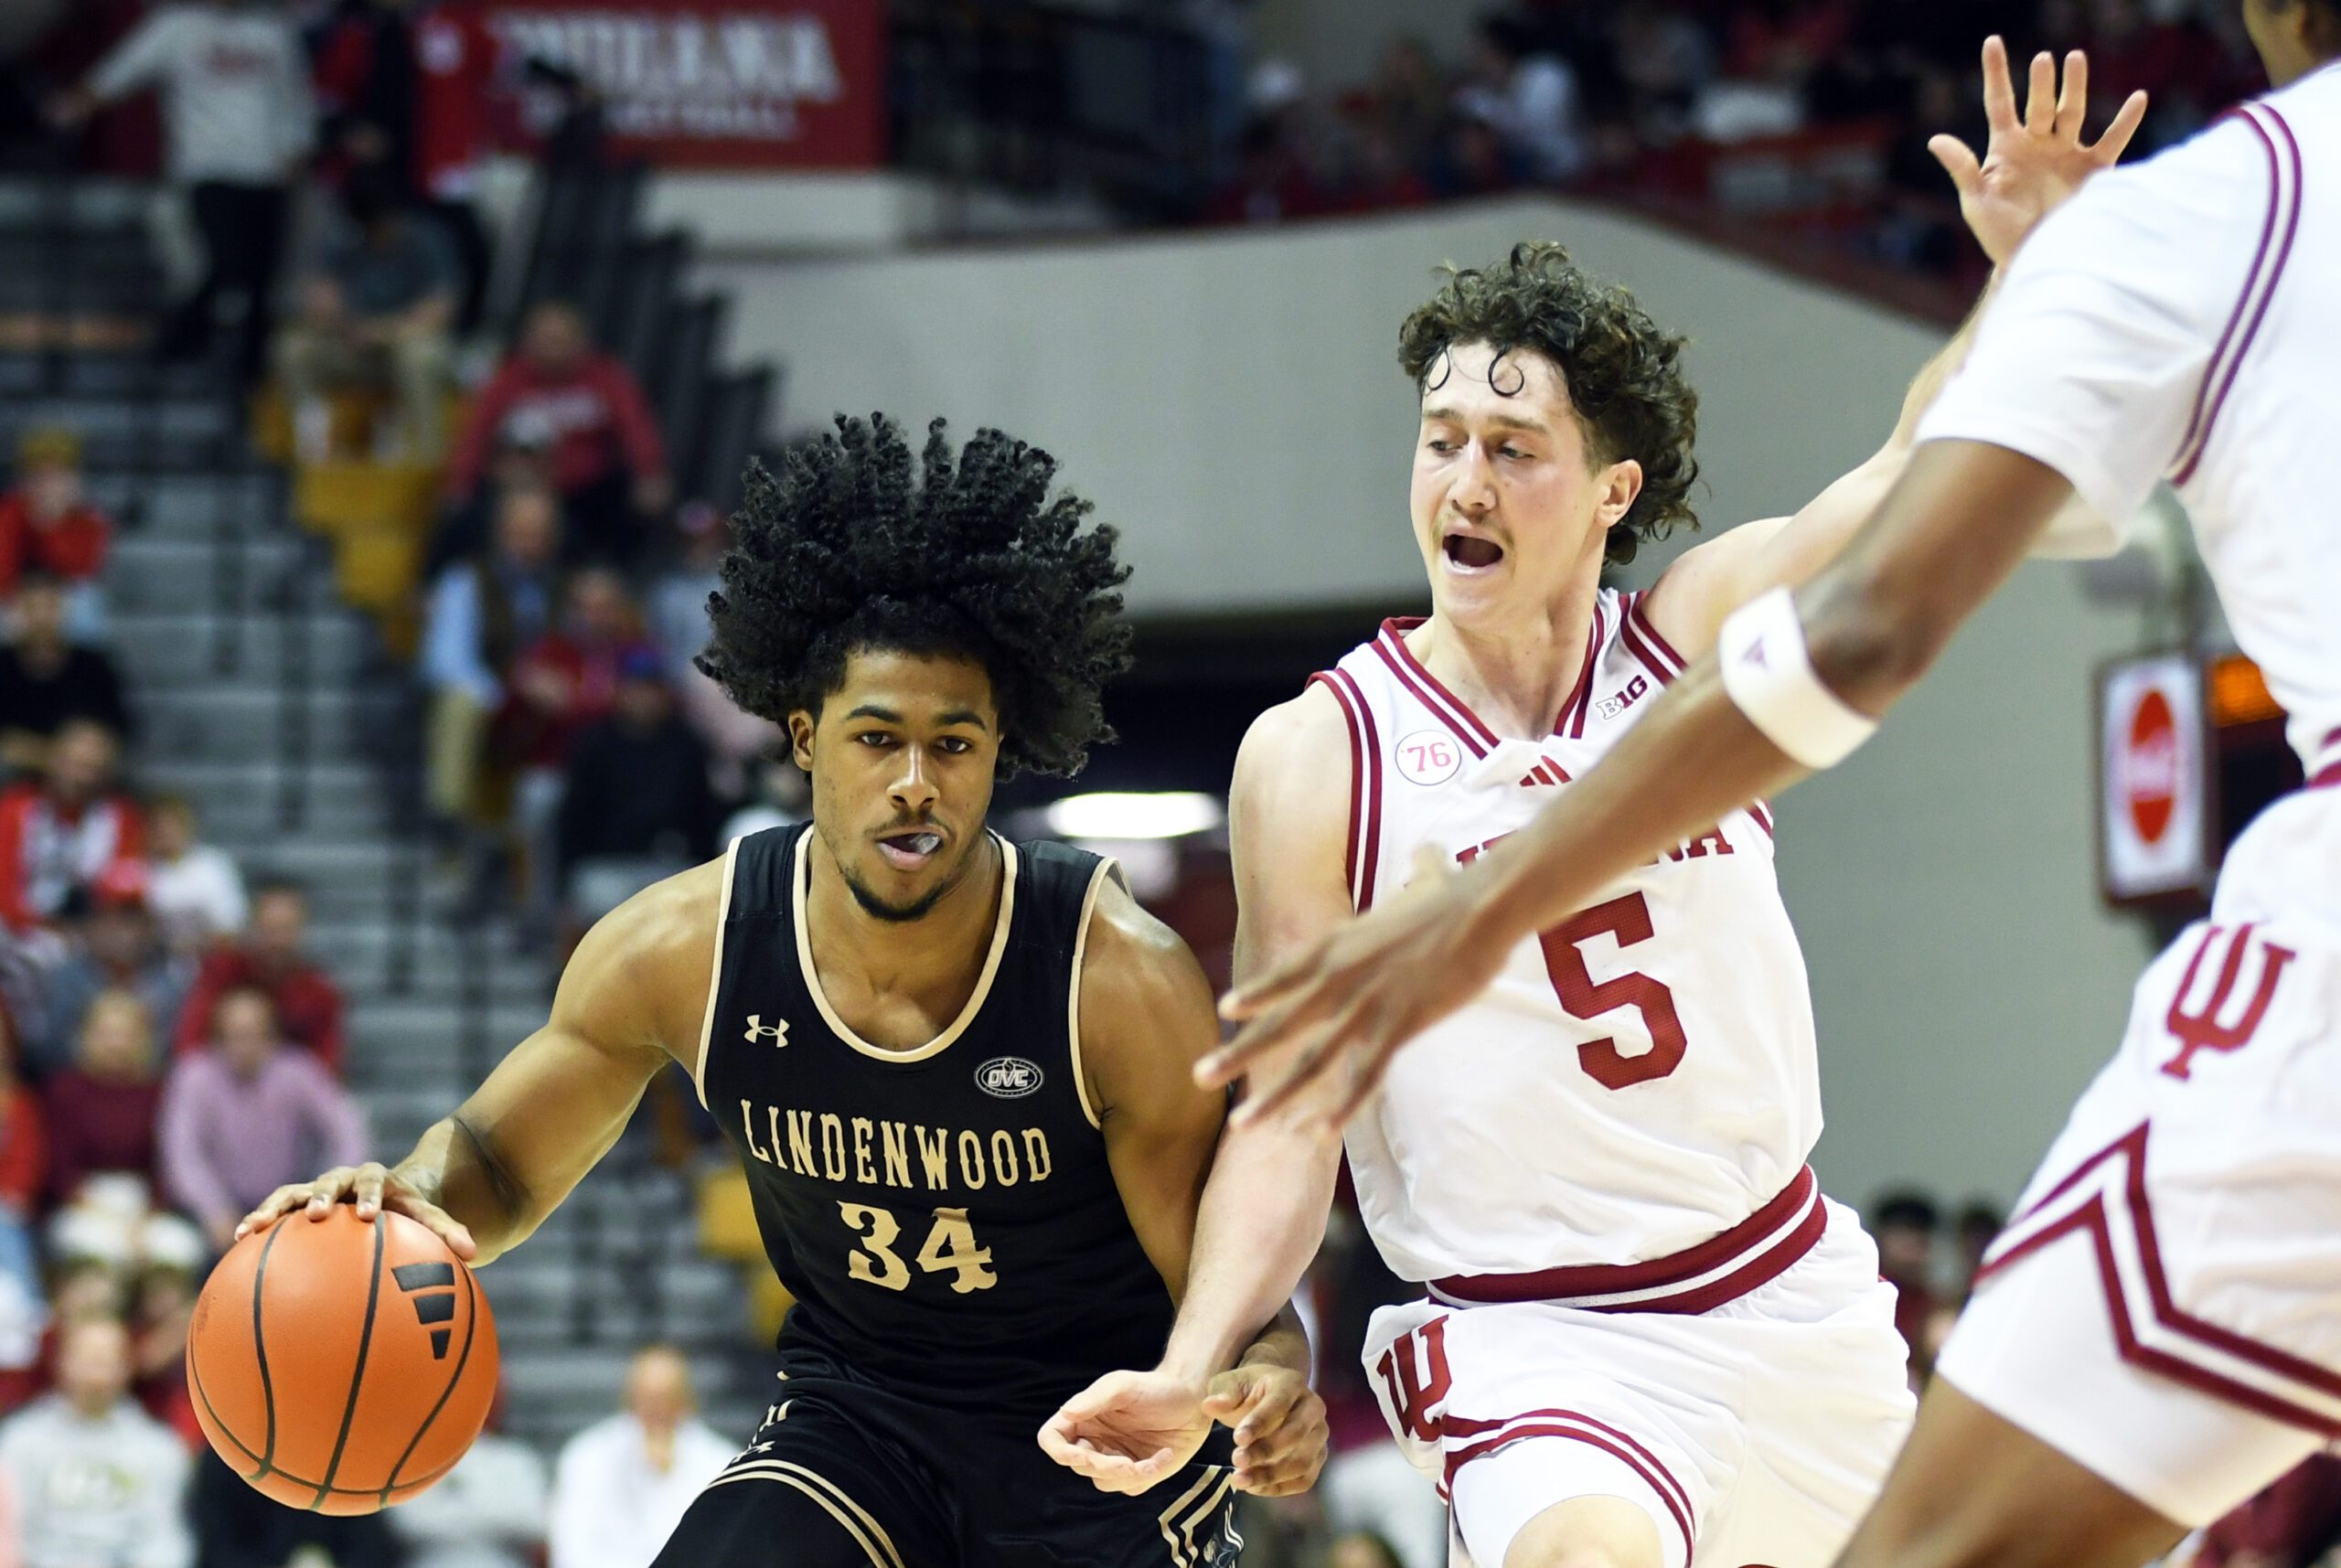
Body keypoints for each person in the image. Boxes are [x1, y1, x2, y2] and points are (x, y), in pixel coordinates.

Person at [1206, 11, 2341, 1568]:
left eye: (1511, 446)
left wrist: (2027, 277)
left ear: (1611, 491)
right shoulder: (1319, 747)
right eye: (1440, 440)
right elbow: (1289, 1106)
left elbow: (1897, 499)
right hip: (1544, 1338)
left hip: (1785, 1290)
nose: (1463, 482)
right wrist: (1216, 1344)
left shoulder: (1683, 634)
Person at [240, 415, 1334, 1565]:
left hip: (1101, 1434)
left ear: (999, 752)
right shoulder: (686, 945)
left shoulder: (1112, 974)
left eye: (952, 745)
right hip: (858, 1415)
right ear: (805, 738)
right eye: (877, 738)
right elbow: (500, 1165)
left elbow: (1230, 1288)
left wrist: (1270, 1380)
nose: (915, 783)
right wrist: (399, 1197)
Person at [51, 0, 313, 385]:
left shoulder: (272, 31)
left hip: (266, 170)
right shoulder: (178, 27)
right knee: (226, 263)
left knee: (260, 279)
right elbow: (126, 67)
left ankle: (249, 376)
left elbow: (294, 96)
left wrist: (296, 146)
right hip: (207, 166)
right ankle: (178, 343)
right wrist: (82, 99)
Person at [444, 301, 671, 566]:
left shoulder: (605, 377)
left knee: (633, 506)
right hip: (518, 490)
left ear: (580, 341)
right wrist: (459, 484)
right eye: (544, 339)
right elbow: (476, 435)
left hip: (585, 496)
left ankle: (606, 579)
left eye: (559, 340)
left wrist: (650, 471)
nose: (551, 349)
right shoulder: (508, 379)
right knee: (464, 519)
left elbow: (636, 427)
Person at [160, 986, 366, 1253]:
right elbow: (183, 1154)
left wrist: (329, 1192)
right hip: (209, 1213)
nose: (242, 1046)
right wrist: (214, 1209)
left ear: (273, 1036)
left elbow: (347, 1131)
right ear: (216, 1036)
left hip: (286, 1206)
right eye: (232, 1035)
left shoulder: (298, 1071)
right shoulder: (194, 1076)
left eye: (252, 1034)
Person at [273, 168, 461, 463]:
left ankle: (427, 459)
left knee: (422, 356)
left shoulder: (427, 237)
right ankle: (314, 448)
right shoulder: (341, 239)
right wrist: (339, 321)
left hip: (402, 343)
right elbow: (319, 301)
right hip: (351, 343)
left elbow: (440, 310)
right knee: (294, 348)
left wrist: (382, 333)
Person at [419, 483, 563, 832]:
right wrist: (511, 689)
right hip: (490, 702)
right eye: (521, 533)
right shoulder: (466, 580)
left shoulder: (562, 584)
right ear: (500, 532)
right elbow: (445, 662)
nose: (529, 545)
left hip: (550, 704)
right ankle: (448, 823)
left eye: (539, 535)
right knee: (459, 702)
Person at [0, 1317, 194, 1568]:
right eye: (88, 1359)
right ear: (61, 1362)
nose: (97, 1374)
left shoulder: (161, 1448)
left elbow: (165, 1541)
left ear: (127, 1366)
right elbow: (11, 1538)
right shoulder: (22, 1440)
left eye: (107, 1361)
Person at [553, 649, 722, 934]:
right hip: (607, 865)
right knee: (609, 909)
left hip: (669, 863)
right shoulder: (594, 745)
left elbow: (704, 818)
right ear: (621, 691)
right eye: (636, 688)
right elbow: (573, 822)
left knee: (685, 908)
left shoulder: (686, 744)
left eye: (652, 689)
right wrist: (565, 884)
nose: (644, 697)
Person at [545, 1346, 733, 1568]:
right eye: (648, 1396)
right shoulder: (587, 1456)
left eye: (668, 1396)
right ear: (629, 1397)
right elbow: (570, 1551)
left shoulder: (722, 1462)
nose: (657, 1408)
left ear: (688, 1400)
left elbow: (728, 1551)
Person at [172, 880, 346, 1072]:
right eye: (270, 929)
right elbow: (190, 1046)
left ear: (302, 929)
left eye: (286, 929)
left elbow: (326, 1068)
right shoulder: (223, 971)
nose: (278, 941)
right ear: (253, 926)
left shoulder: (319, 994)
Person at [34, 870, 188, 1074]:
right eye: (107, 917)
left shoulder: (169, 985)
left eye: (130, 918)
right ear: (90, 926)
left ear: (149, 926)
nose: (119, 930)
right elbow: (50, 1055)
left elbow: (170, 1059)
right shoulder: (66, 980)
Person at [0, 720, 141, 939]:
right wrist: (38, 927)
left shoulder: (121, 817)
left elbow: (124, 885)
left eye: (93, 769)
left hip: (92, 939)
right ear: (53, 761)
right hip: (19, 931)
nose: (81, 779)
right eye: (75, 765)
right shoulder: (15, 809)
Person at [388, 1385, 548, 1568]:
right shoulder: (414, 1459)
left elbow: (533, 1522)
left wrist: (457, 1509)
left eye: (495, 1392)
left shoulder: (516, 1459)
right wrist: (495, 1513)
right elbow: (410, 1523)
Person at [0, 575, 130, 776]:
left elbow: (115, 732)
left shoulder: (93, 666)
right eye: (32, 607)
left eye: (50, 605)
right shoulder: (4, 666)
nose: (42, 617)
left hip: (86, 779)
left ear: (66, 609)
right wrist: (57, 756)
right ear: (15, 611)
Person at [0, 429, 111, 638]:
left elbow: (82, 570)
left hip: (60, 601)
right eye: (42, 475)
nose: (50, 484)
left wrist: (51, 524)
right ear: (27, 479)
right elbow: (2, 573)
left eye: (59, 475)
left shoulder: (89, 520)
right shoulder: (8, 513)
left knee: (87, 602)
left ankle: (80, 668)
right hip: (15, 600)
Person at [141, 795, 247, 956]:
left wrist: (193, 945)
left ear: (188, 827)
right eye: (160, 826)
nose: (166, 832)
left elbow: (231, 925)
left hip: (211, 956)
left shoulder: (213, 865)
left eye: (173, 825)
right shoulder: (142, 870)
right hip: (156, 959)